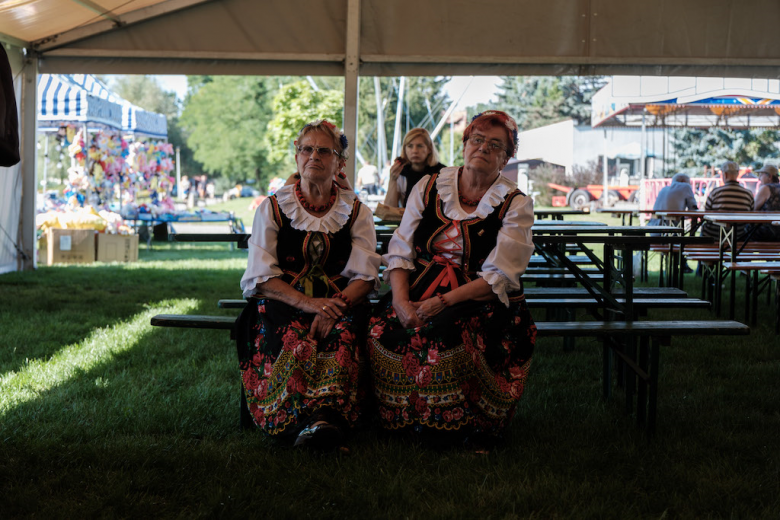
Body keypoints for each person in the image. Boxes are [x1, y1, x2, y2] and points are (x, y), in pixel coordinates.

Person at [367, 111, 536, 451]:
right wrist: (400, 301)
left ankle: (459, 424)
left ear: (506, 157)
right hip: (421, 286)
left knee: (448, 332)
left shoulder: (515, 204)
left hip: (478, 297)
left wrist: (441, 302)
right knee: (379, 327)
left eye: (495, 145)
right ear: (464, 145)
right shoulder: (429, 186)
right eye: (477, 140)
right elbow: (400, 249)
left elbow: (498, 275)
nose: (483, 148)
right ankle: (401, 418)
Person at [237, 120, 381, 450]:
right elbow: (262, 276)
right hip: (283, 301)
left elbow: (365, 277)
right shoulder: (272, 208)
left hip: (341, 302)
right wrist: (311, 304)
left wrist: (334, 307)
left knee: (342, 334)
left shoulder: (356, 211)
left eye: (323, 150)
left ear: (340, 162)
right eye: (306, 149)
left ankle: (328, 420)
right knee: (294, 337)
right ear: (297, 156)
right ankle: (301, 423)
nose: (313, 156)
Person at [383, 128, 446, 208]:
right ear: (405, 149)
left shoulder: (442, 173)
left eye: (420, 146)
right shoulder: (401, 173)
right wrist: (392, 179)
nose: (415, 151)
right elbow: (389, 209)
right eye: (410, 146)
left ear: (429, 149)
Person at [700, 161, 754, 240]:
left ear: (724, 175)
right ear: (737, 174)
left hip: (714, 236)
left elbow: (707, 214)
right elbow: (750, 215)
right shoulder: (748, 194)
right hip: (737, 236)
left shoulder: (716, 192)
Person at [746, 164, 780, 241]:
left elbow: (753, 209)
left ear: (770, 176)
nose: (759, 178)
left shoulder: (766, 188)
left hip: (768, 232)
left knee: (744, 231)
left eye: (761, 175)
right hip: (778, 233)